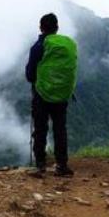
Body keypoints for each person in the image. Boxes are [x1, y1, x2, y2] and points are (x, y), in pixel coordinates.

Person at [25, 12, 78, 177]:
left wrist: (38, 81)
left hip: (42, 94)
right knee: (60, 129)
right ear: (57, 28)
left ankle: (40, 165)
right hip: (62, 95)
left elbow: (29, 75)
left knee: (40, 128)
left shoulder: (39, 47)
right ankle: (62, 165)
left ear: (41, 28)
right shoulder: (68, 44)